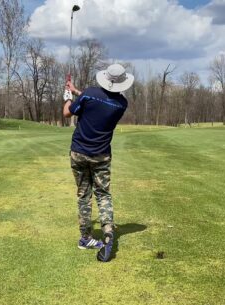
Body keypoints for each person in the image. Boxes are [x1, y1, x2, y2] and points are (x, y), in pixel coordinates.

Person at [63, 64, 134, 262]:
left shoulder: (90, 94)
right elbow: (96, 100)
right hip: (101, 155)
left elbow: (68, 113)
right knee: (103, 194)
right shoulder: (121, 104)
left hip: (78, 152)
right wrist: (76, 90)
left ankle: (85, 238)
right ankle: (108, 231)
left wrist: (68, 96)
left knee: (84, 195)